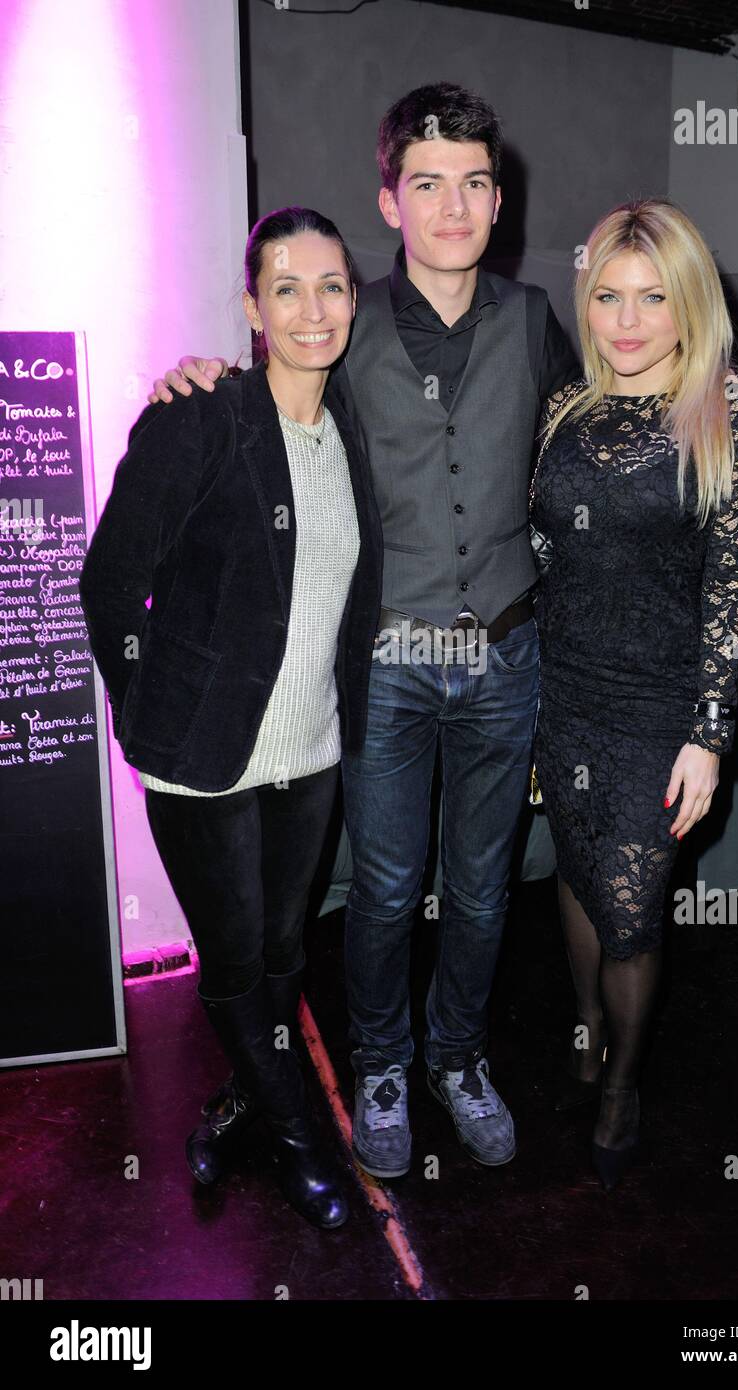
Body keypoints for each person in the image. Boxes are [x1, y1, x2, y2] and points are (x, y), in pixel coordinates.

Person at [148, 84, 738, 1183]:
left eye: (474, 183)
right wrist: (200, 377)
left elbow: (619, 430)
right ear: (389, 200)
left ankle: (456, 1057)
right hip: (390, 662)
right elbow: (272, 392)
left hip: (509, 655)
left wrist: (728, 397)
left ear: (498, 200)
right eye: (427, 183)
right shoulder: (341, 330)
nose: (453, 205)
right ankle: (384, 1065)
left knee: (483, 888)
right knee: (389, 887)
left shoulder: (539, 323)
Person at [80, 207, 383, 1228]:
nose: (311, 308)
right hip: (202, 762)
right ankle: (303, 1140)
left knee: (285, 952)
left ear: (353, 297)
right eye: (285, 288)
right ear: (252, 307)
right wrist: (143, 719)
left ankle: (243, 1100)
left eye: (331, 285)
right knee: (237, 957)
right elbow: (111, 582)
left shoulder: (349, 434)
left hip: (311, 754)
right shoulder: (201, 417)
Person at [529, 198, 738, 1190]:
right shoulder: (564, 410)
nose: (626, 321)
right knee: (577, 869)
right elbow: (543, 548)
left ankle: (621, 1081)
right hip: (562, 685)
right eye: (605, 296)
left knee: (632, 907)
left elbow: (729, 587)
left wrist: (708, 735)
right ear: (583, 302)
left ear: (688, 306)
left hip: (662, 704)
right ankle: (586, 1025)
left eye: (651, 298)